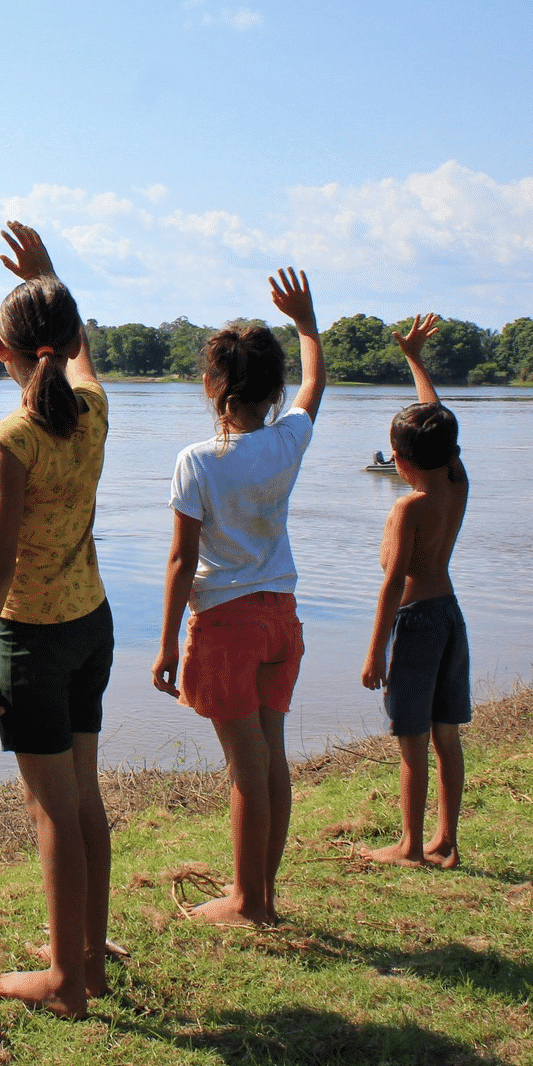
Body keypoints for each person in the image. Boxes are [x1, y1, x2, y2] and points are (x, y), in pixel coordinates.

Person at [0, 221, 114, 1019]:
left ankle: (62, 983)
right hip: (91, 622)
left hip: (36, 638)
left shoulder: (10, 439)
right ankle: (87, 958)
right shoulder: (93, 409)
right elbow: (79, 349)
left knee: (50, 807)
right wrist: (50, 277)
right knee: (83, 795)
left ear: (0, 350)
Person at [151, 269, 324, 928]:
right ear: (271, 390)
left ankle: (248, 902)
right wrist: (307, 323)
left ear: (212, 386)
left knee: (244, 771)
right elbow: (315, 386)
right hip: (282, 619)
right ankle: (263, 893)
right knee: (272, 758)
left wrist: (166, 641)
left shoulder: (197, 460)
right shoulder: (287, 441)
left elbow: (180, 560)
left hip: (226, 624)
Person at [361, 314, 472, 869]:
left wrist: (375, 651)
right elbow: (439, 423)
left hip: (417, 622)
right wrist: (415, 360)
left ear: (400, 461)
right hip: (451, 615)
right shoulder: (456, 483)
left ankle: (409, 844)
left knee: (410, 740)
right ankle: (446, 839)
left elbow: (392, 583)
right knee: (445, 734)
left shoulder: (409, 505)